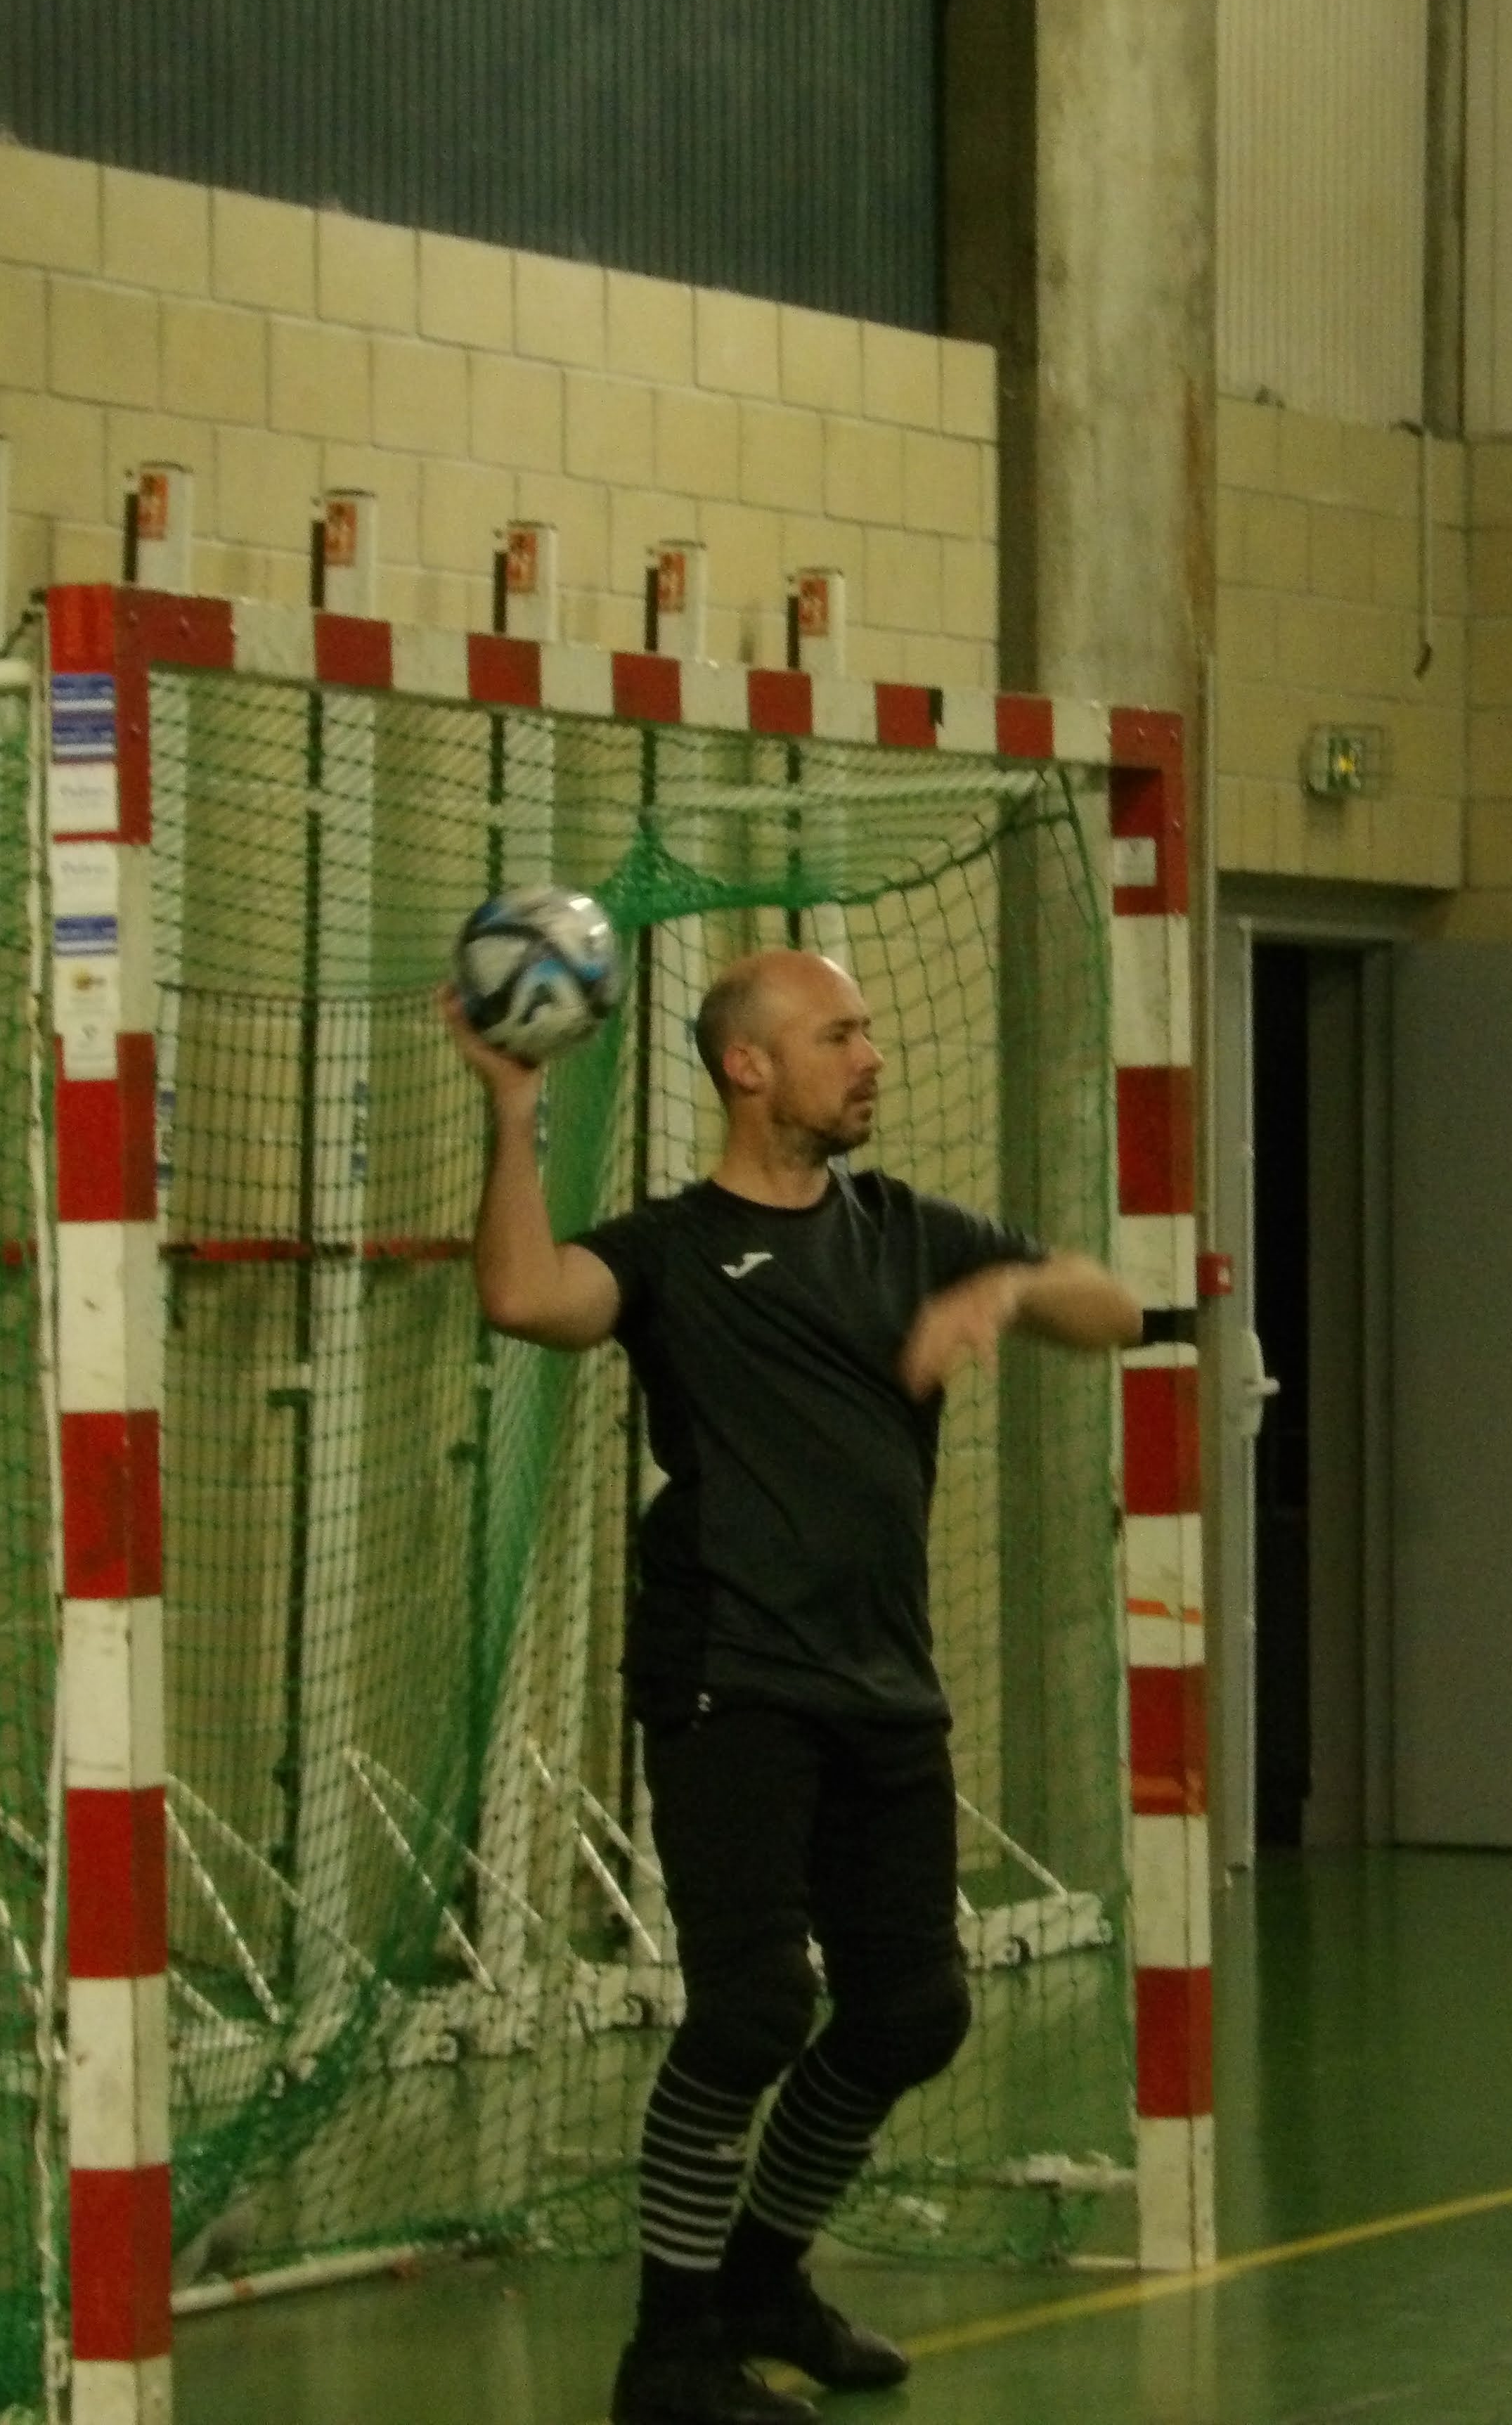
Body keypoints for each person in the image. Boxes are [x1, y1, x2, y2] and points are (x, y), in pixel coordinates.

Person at [445, 946, 1142, 2425]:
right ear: (747, 1067)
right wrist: (512, 1110)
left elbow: (1115, 1310)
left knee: (910, 2015)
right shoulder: (672, 1249)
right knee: (753, 2008)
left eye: (869, 1030)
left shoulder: (906, 1230)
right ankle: (668, 2354)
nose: (871, 1056)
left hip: (885, 1680)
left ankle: (762, 2280)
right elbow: (522, 1293)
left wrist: (1008, 1288)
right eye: (838, 1035)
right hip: (730, 1679)